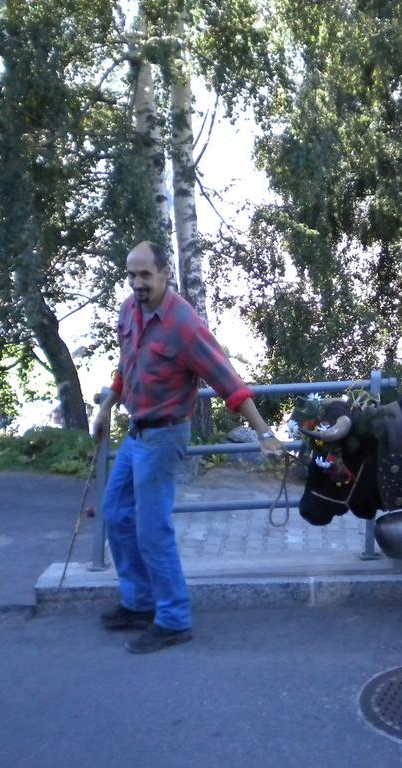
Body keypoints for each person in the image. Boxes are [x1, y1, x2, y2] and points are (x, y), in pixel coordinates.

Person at [92, 241, 284, 654]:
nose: (137, 283)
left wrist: (265, 432)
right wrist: (107, 406)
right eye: (131, 274)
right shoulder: (129, 310)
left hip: (164, 437)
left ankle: (174, 619)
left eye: (145, 274)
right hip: (135, 430)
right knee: (115, 512)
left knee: (152, 529)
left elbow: (228, 382)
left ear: (165, 274)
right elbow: (126, 365)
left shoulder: (185, 325)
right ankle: (139, 602)